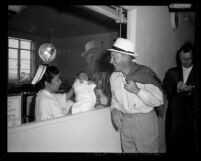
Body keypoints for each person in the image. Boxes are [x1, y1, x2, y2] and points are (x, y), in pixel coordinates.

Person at [107, 38, 165, 153]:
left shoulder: (145, 74)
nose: (110, 61)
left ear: (126, 57)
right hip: (125, 121)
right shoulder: (114, 77)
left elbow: (159, 100)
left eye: (114, 57)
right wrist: (114, 110)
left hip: (144, 122)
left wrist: (138, 91)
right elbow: (114, 98)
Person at [162, 42, 197, 158]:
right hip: (175, 119)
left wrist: (192, 90)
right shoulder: (171, 72)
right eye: (183, 58)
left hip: (193, 119)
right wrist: (176, 86)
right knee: (173, 147)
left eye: (189, 58)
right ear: (179, 57)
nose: (186, 61)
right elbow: (165, 89)